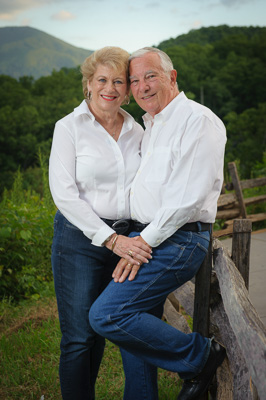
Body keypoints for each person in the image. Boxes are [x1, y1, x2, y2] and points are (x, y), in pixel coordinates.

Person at [89, 47, 227, 400]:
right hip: (147, 235)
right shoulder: (151, 125)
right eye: (134, 80)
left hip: (179, 240)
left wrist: (141, 243)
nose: (141, 86)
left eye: (150, 76)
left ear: (172, 77)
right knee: (132, 322)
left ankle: (199, 356)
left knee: (108, 314)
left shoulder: (198, 120)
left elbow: (187, 201)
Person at [49, 46, 153, 400]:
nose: (110, 88)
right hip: (80, 240)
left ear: (126, 89)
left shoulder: (137, 130)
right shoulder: (69, 128)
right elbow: (63, 194)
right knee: (80, 337)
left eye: (118, 81)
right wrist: (110, 240)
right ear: (88, 84)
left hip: (130, 237)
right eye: (102, 80)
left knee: (120, 324)